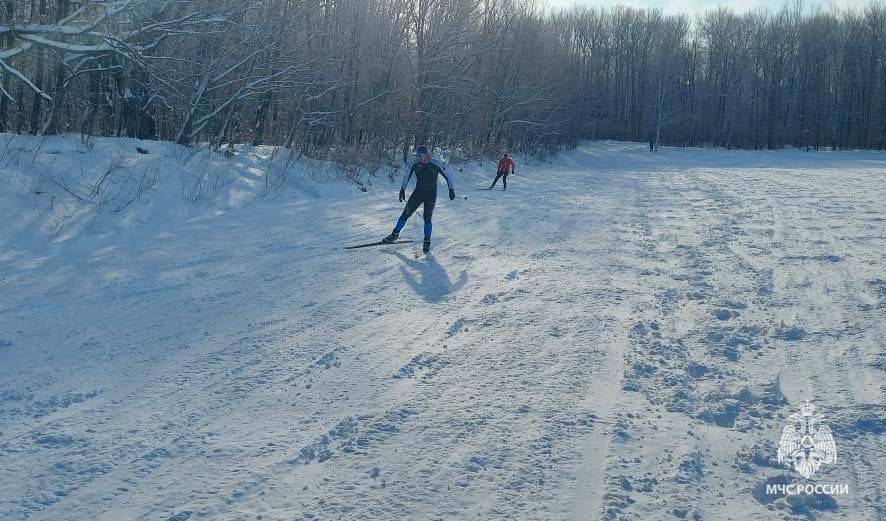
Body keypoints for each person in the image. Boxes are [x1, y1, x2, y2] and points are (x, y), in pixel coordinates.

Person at [382, 145, 456, 253]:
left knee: (427, 218)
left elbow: (448, 176)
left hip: (431, 195)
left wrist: (451, 189)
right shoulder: (415, 164)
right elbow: (406, 176)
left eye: (421, 155)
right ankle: (394, 235)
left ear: (427, 155)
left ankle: (427, 242)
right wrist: (402, 189)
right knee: (405, 214)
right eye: (418, 155)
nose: (419, 158)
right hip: (418, 193)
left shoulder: (435, 164)